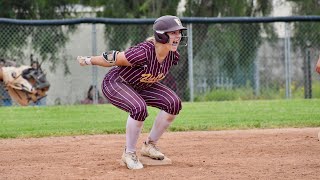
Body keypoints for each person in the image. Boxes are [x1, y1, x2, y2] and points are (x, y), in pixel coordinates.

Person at [77, 15, 187, 170]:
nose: (178, 36)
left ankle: (149, 146)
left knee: (174, 104)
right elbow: (112, 58)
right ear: (161, 35)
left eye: (179, 32)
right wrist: (89, 60)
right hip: (117, 82)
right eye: (173, 32)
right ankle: (129, 153)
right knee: (139, 108)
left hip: (142, 85)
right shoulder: (143, 52)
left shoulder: (173, 55)